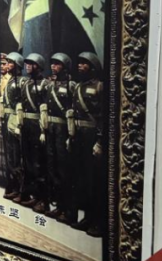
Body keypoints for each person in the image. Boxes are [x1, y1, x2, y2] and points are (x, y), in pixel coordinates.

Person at [69, 52, 105, 237]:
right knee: (82, 179)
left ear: (92, 67)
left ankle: (98, 222)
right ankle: (88, 218)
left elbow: (104, 117)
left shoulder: (100, 87)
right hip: (79, 137)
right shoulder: (78, 87)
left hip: (92, 136)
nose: (80, 66)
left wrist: (100, 141)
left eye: (84, 63)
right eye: (79, 63)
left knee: (95, 181)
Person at [44, 52, 75, 223]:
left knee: (64, 169)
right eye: (52, 63)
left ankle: (68, 209)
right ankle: (59, 206)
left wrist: (71, 134)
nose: (53, 66)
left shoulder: (71, 86)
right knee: (53, 166)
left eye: (57, 64)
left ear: (65, 66)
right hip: (52, 128)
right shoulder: (51, 85)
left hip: (63, 129)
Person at [18, 53, 49, 213]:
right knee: (27, 161)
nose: (28, 66)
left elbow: (45, 108)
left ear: (39, 66)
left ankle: (42, 199)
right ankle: (30, 194)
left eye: (31, 63)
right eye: (27, 63)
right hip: (26, 125)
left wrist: (43, 130)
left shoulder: (45, 84)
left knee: (39, 163)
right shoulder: (25, 83)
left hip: (38, 125)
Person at [0, 52, 25, 203]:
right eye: (7, 62)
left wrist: (17, 123)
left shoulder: (22, 81)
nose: (7, 65)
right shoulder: (9, 80)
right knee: (10, 156)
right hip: (7, 119)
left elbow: (21, 104)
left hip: (15, 120)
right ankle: (13, 186)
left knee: (17, 156)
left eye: (10, 63)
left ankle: (20, 189)